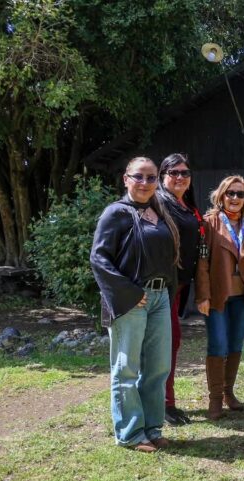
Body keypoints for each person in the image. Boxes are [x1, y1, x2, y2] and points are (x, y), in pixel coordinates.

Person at [90, 156, 179, 452]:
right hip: (132, 298)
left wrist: (168, 289)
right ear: (126, 179)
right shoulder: (116, 213)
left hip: (160, 296)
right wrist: (128, 292)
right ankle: (129, 433)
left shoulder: (159, 211)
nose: (145, 183)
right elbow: (99, 259)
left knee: (158, 366)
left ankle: (152, 428)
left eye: (151, 177)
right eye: (138, 177)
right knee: (126, 368)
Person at [195, 175, 244, 420]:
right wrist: (202, 295)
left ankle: (228, 393)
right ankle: (214, 400)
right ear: (221, 196)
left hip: (241, 297)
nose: (235, 198)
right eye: (230, 193)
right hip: (217, 296)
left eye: (240, 194)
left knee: (235, 345)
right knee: (218, 345)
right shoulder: (209, 223)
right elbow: (201, 263)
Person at [158, 153, 202, 426]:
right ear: (163, 176)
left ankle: (165, 401)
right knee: (167, 343)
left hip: (181, 284)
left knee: (171, 343)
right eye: (173, 172)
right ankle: (164, 404)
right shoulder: (160, 203)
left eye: (185, 173)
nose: (180, 177)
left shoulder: (185, 204)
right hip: (164, 285)